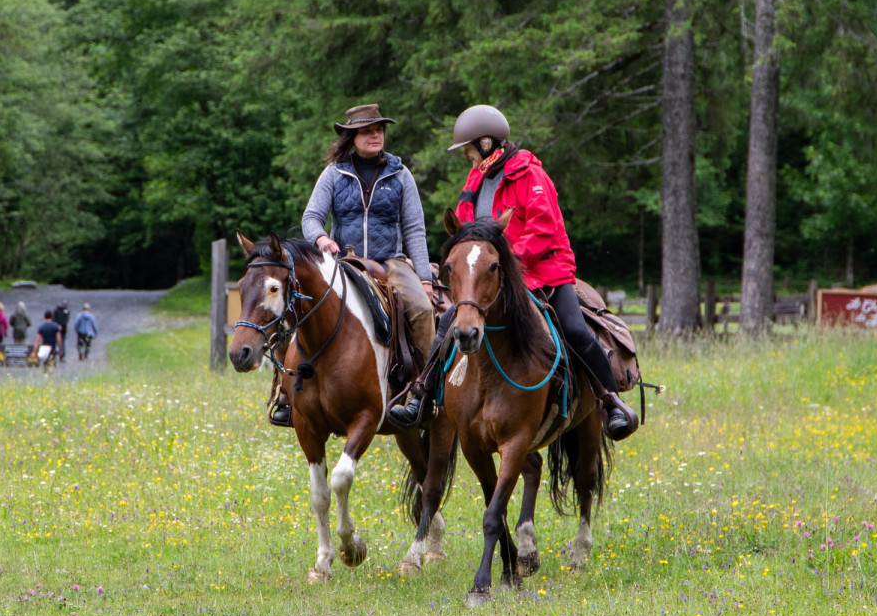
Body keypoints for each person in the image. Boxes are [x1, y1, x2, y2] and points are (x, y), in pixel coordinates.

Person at [390, 105, 639, 441]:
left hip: (545, 272)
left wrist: (508, 260)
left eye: (468, 148)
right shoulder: (476, 178)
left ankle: (611, 403)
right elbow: (466, 227)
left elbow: (543, 228)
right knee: (448, 322)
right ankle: (422, 396)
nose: (466, 155)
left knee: (574, 329)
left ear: (486, 143)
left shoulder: (530, 175)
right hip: (492, 277)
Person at [263, 103, 436, 427]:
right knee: (297, 304)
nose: (375, 135)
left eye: (379, 129)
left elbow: (414, 229)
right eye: (367, 131)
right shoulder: (334, 173)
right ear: (352, 137)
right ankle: (287, 392)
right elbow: (311, 217)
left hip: (390, 261)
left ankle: (424, 392)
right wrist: (320, 239)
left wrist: (425, 279)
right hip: (344, 261)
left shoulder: (401, 174)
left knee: (423, 310)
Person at [31, 310, 63, 375]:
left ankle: (46, 375)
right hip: (52, 349)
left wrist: (34, 351)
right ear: (52, 317)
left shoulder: (42, 327)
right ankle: (51, 376)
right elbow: (59, 339)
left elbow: (37, 341)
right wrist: (60, 349)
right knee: (53, 364)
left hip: (44, 349)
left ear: (44, 317)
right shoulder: (55, 327)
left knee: (45, 365)